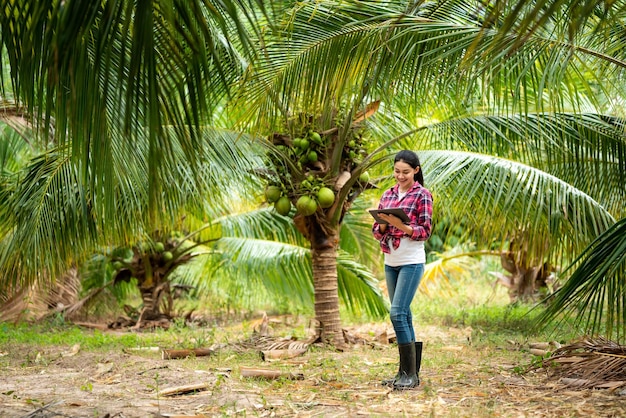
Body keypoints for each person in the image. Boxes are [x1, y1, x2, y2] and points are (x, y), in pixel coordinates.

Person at [372, 150, 433, 390]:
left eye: (405, 172)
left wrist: (401, 226)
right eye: (397, 171)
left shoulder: (422, 195)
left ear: (416, 170)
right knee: (404, 314)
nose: (400, 176)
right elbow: (376, 231)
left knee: (397, 313)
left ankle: (409, 373)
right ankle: (406, 373)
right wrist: (385, 224)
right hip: (391, 261)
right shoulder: (387, 194)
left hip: (411, 260)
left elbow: (424, 231)